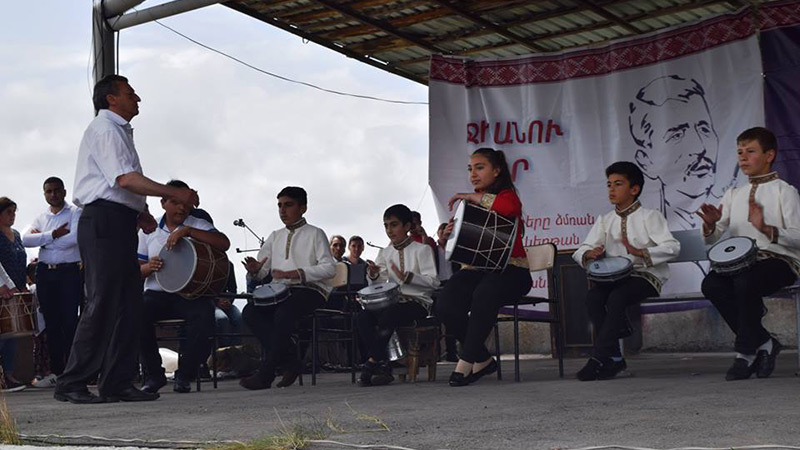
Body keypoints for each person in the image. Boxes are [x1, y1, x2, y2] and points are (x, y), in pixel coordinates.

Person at [55, 75, 199, 404]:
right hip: (103, 222)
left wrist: (141, 212)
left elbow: (122, 186)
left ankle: (117, 382)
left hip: (118, 221)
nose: (138, 98)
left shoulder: (118, 131)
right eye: (130, 93)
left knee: (128, 306)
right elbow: (124, 178)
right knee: (102, 302)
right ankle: (72, 382)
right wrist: (174, 192)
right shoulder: (105, 129)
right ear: (111, 100)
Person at [698, 127, 800, 381]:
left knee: (746, 281)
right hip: (741, 265)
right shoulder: (734, 194)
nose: (743, 157)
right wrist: (711, 225)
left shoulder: (784, 192)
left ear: (769, 155)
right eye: (740, 152)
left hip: (780, 262)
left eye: (751, 151)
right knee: (711, 284)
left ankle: (745, 353)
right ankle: (764, 342)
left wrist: (767, 228)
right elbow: (714, 236)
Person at [434, 148, 533, 387]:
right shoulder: (471, 204)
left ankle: (465, 362)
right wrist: (447, 237)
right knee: (444, 304)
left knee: (484, 293)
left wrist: (470, 196)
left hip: (513, 272)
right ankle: (483, 359)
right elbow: (465, 245)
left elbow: (510, 210)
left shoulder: (506, 196)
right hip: (478, 271)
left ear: (497, 170)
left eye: (480, 167)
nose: (473, 174)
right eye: (470, 169)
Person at [572, 162, 680, 380]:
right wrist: (589, 253)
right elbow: (581, 248)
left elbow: (673, 247)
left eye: (618, 184)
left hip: (646, 276)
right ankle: (615, 358)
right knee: (593, 298)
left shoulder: (650, 217)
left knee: (617, 297)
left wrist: (642, 252)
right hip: (615, 279)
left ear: (634, 189)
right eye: (609, 185)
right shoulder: (605, 220)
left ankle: (600, 356)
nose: (611, 190)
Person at [138, 180, 230, 394]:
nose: (181, 208)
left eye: (185, 204)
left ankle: (185, 374)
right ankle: (154, 375)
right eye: (175, 202)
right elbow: (135, 269)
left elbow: (224, 243)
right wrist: (148, 268)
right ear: (163, 203)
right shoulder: (148, 231)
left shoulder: (197, 224)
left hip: (188, 294)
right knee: (136, 313)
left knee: (204, 316)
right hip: (156, 294)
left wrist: (187, 231)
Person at [239, 186, 336, 390]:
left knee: (284, 314)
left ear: (303, 208)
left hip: (310, 290)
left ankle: (266, 374)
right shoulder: (275, 236)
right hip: (279, 291)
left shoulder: (315, 233)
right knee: (250, 312)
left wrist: (297, 273)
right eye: (280, 206)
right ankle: (291, 361)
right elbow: (264, 270)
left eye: (288, 205)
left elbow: (329, 268)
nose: (282, 210)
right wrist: (256, 270)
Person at [628, 74, 732, 230]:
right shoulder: (643, 224)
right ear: (645, 160)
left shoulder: (737, 203)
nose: (700, 148)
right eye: (677, 135)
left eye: (704, 129)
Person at [357, 204, 439, 386]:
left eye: (394, 225)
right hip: (392, 303)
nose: (389, 230)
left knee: (390, 314)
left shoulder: (422, 249)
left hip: (417, 303)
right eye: (386, 226)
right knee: (362, 317)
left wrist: (408, 277)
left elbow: (433, 282)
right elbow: (379, 284)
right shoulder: (385, 252)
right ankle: (383, 364)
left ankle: (373, 362)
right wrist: (373, 274)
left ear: (407, 226)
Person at [21, 177, 83, 383]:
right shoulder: (41, 217)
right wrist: (53, 235)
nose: (53, 195)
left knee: (69, 320)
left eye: (56, 191)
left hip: (69, 272)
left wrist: (44, 240)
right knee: (52, 323)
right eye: (48, 191)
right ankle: (57, 371)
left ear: (64, 192)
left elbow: (74, 239)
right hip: (46, 273)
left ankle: (73, 370)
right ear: (44, 193)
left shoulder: (75, 213)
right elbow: (25, 240)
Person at [0, 198, 28, 392]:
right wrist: (2, 285)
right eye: (8, 212)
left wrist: (20, 285)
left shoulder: (16, 235)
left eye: (14, 212)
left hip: (15, 289)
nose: (12, 216)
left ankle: (9, 374)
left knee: (11, 334)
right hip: (2, 289)